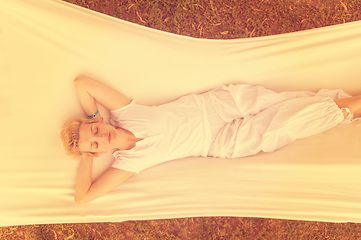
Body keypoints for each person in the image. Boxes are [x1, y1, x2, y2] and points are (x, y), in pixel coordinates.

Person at [61, 76, 361, 204]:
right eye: (96, 143)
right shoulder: (128, 162)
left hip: (217, 104)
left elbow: (82, 84)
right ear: (98, 153)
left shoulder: (125, 114)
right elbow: (82, 197)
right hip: (221, 142)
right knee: (286, 125)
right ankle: (353, 106)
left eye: (97, 131)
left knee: (293, 102)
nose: (101, 136)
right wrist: (86, 153)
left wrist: (91, 118)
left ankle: (351, 106)